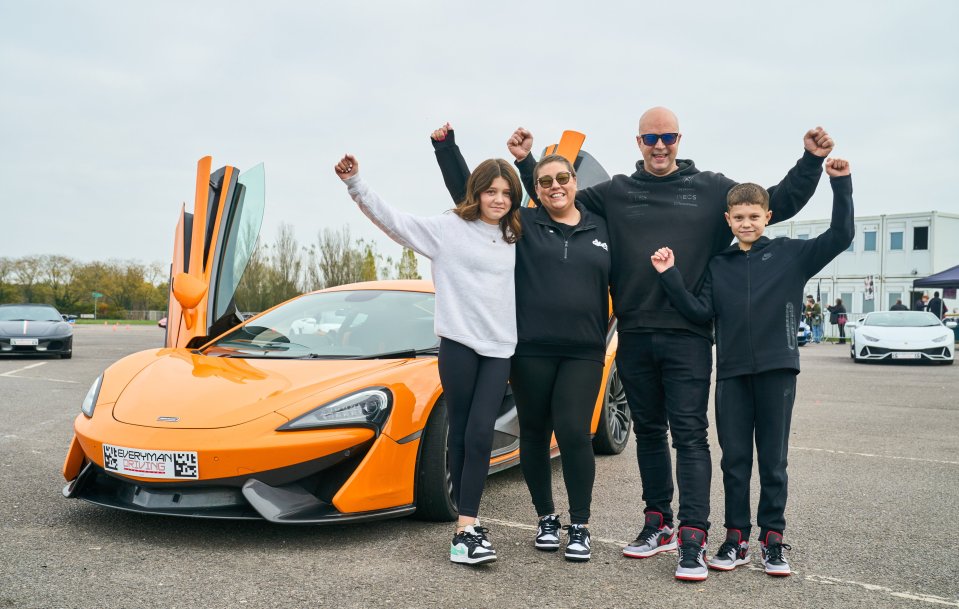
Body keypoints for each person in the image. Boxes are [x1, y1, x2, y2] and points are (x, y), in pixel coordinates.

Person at [507, 107, 833, 581]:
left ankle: (693, 537)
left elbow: (775, 201)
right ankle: (657, 522)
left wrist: (810, 160)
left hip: (689, 334)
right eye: (650, 138)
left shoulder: (710, 189)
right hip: (635, 333)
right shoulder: (615, 192)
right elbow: (559, 196)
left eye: (668, 137)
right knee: (649, 433)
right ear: (637, 142)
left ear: (679, 139)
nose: (660, 146)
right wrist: (526, 162)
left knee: (690, 435)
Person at [650, 157, 854, 577]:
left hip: (778, 370)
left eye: (754, 216)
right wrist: (669, 275)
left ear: (768, 217)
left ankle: (773, 541)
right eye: (739, 217)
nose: (746, 223)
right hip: (731, 375)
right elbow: (697, 311)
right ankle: (736, 538)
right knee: (735, 461)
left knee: (773, 462)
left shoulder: (791, 255)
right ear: (728, 219)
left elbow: (841, 234)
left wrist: (841, 183)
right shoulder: (718, 265)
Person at [430, 123, 610, 562]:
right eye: (545, 181)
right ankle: (546, 518)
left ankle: (580, 524)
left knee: (572, 431)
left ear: (576, 183)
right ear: (536, 189)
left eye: (563, 179)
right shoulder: (522, 223)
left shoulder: (603, 228)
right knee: (533, 432)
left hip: (583, 350)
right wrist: (446, 148)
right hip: (529, 348)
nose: (555, 187)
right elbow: (470, 196)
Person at [335, 152, 522, 566]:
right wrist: (357, 185)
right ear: (477, 192)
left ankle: (468, 524)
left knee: (479, 433)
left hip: (499, 350)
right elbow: (396, 224)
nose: (499, 199)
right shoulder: (449, 228)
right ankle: (466, 530)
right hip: (458, 345)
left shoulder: (516, 236)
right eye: (491, 191)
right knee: (460, 432)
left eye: (507, 193)